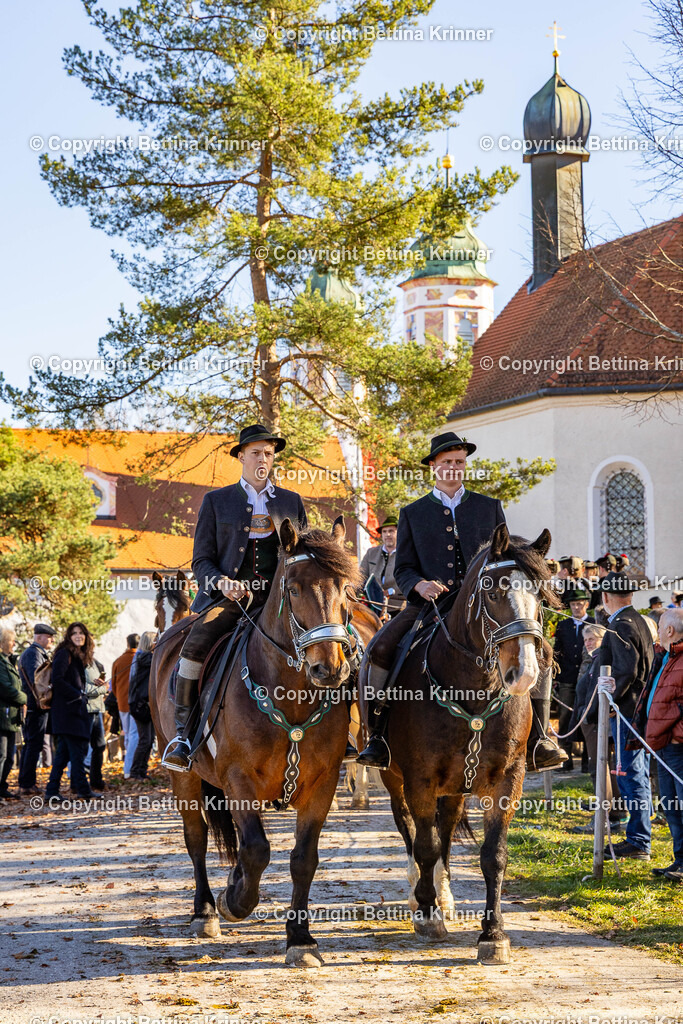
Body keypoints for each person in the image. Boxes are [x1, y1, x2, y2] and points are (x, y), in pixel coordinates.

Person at [358, 430, 539, 770]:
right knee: (379, 648)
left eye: (459, 461)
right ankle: (377, 736)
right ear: (433, 467)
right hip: (429, 605)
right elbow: (405, 568)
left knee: (536, 647)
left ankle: (539, 739)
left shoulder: (489, 507)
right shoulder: (413, 513)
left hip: (484, 606)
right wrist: (420, 585)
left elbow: (503, 558)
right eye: (447, 462)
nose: (454, 467)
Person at [162, 423, 308, 771]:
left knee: (329, 643)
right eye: (256, 452)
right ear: (241, 456)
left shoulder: (291, 501)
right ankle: (184, 735)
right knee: (194, 646)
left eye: (268, 453)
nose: (263, 458)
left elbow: (303, 555)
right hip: (230, 601)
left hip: (280, 603)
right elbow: (201, 560)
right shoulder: (217, 501)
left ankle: (339, 732)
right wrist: (223, 583)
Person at [599, 572, 655, 860]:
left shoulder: (620, 624)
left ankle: (638, 840)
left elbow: (626, 670)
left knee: (630, 775)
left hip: (627, 712)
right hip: (638, 710)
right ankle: (640, 834)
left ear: (606, 597)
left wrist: (611, 700)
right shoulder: (638, 620)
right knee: (637, 774)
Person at [631, 609, 683, 882]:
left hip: (676, 746)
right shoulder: (665, 656)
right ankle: (680, 861)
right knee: (671, 807)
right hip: (662, 745)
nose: (657, 631)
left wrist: (678, 735)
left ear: (671, 631)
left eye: (660, 626)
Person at [44, 623, 96, 801]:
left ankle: (51, 791)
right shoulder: (64, 654)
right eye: (74, 633)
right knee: (76, 753)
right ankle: (83, 789)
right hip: (67, 713)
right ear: (69, 636)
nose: (78, 636)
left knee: (63, 756)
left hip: (73, 711)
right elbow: (57, 680)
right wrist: (77, 695)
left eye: (81, 633)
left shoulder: (77, 655)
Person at [553, 591, 594, 771]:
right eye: (573, 605)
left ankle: (587, 759)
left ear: (586, 604)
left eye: (579, 604)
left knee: (587, 716)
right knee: (564, 717)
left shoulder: (593, 623)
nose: (576, 608)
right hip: (567, 678)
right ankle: (565, 757)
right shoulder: (563, 625)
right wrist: (556, 677)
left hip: (588, 677)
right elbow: (557, 652)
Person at [17, 623, 56, 795]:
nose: (52, 640)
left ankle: (26, 782)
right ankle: (27, 784)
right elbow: (38, 681)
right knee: (33, 744)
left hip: (34, 705)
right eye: (49, 637)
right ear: (39, 637)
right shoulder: (33, 653)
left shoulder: (35, 653)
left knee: (31, 744)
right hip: (35, 705)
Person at [0, 626, 28, 800]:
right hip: (3, 716)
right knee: (1, 755)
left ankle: (2, 786)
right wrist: (24, 698)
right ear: (3, 642)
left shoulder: (8, 661)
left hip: (12, 717)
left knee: (9, 756)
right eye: (12, 640)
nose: (14, 643)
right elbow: (5, 687)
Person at [359, 515, 405, 619]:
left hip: (398, 607)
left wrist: (388, 593)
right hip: (372, 604)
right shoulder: (371, 553)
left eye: (391, 531)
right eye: (384, 532)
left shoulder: (407, 554)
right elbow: (360, 577)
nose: (387, 534)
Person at [128, 631, 156, 780]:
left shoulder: (140, 657)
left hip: (141, 703)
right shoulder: (145, 658)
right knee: (145, 740)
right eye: (155, 641)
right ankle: (135, 771)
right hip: (141, 704)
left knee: (149, 739)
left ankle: (141, 770)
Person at [111, 634, 139, 779]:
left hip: (122, 702)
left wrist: (119, 697)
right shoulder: (138, 659)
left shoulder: (118, 661)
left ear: (127, 644)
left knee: (127, 734)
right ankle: (129, 766)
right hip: (137, 702)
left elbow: (113, 684)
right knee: (135, 735)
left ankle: (127, 764)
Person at [84, 654, 108, 791]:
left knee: (99, 746)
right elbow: (84, 688)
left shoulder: (95, 663)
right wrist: (103, 688)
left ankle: (96, 781)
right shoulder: (80, 663)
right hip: (86, 709)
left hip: (97, 708)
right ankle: (77, 782)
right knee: (82, 748)